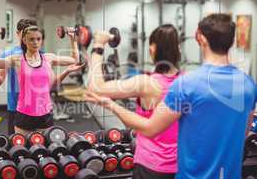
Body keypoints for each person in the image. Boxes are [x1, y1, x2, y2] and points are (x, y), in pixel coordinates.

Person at [85, 14, 257, 179]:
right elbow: (243, 132)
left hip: (171, 170)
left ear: (200, 38)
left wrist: (98, 45)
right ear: (232, 41)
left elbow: (149, 127)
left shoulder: (187, 85)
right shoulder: (248, 84)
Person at [87, 24, 182, 179]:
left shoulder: (146, 83)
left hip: (151, 167)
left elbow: (96, 87)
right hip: (181, 166)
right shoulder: (187, 81)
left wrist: (98, 45)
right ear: (178, 49)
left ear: (152, 49)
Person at [0, 25, 81, 135]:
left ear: (42, 40)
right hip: (24, 114)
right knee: (22, 150)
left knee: (45, 149)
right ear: (24, 40)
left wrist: (73, 40)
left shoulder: (48, 58)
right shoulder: (16, 59)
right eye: (31, 39)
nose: (35, 42)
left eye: (38, 39)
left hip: (45, 114)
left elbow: (75, 60)